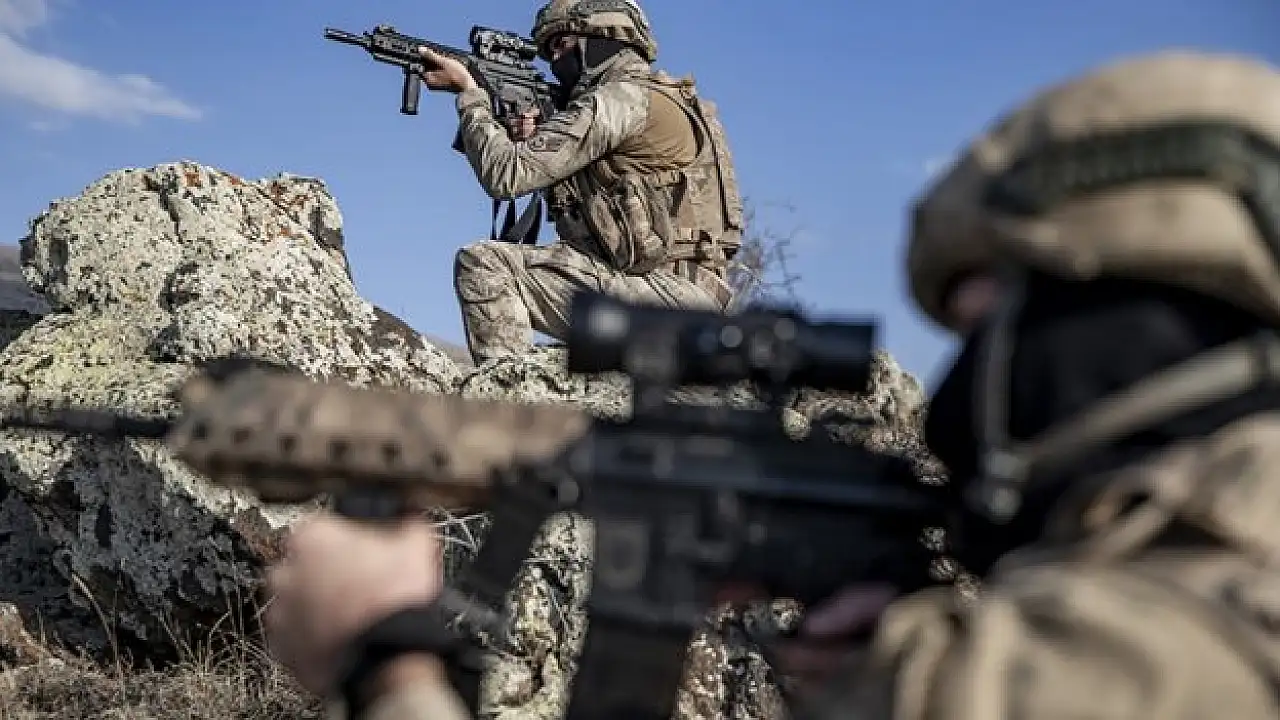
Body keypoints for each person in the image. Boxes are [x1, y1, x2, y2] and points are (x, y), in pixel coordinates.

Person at [264, 49, 1280, 719]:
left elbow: (507, 186)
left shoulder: (1178, 653)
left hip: (654, 299)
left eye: (999, 323)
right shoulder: (1154, 578)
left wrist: (384, 662)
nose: (967, 385)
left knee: (484, 267)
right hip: (682, 296)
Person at [414, 0, 743, 364]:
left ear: (602, 37)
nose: (555, 61)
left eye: (561, 45)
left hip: (665, 299)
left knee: (486, 264)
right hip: (685, 298)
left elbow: (506, 174)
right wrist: (537, 139)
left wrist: (471, 95)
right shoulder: (656, 98)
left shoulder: (622, 99)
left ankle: (511, 395)